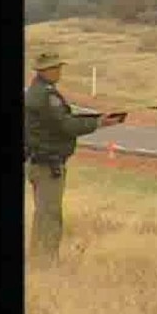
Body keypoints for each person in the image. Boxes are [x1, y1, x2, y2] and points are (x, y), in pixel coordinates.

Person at [24, 52, 123, 266]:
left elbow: (62, 120)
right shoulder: (46, 95)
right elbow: (67, 125)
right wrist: (99, 123)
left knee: (43, 214)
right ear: (45, 71)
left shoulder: (36, 92)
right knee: (49, 215)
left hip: (38, 161)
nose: (59, 71)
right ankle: (45, 262)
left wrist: (95, 119)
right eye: (55, 68)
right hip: (47, 163)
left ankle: (38, 259)